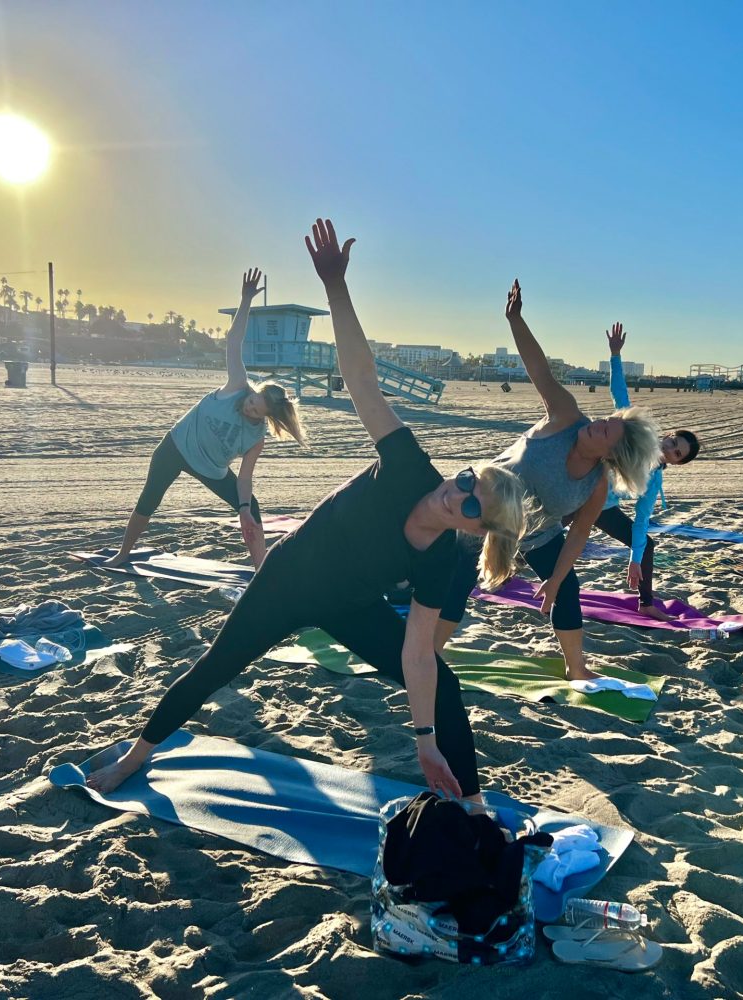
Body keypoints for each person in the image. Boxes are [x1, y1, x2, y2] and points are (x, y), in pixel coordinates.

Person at [86, 218, 527, 803]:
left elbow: (418, 654)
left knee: (445, 688)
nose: (461, 493)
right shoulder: (407, 465)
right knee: (217, 667)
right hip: (288, 580)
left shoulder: (440, 557)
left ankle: (471, 806)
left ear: (477, 527)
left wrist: (424, 741)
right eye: (469, 479)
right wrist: (336, 287)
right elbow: (362, 379)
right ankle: (133, 758)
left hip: (351, 606)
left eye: (475, 504)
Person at [435, 281, 661, 681]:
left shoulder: (595, 484)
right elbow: (538, 369)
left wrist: (555, 580)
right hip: (483, 506)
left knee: (568, 590)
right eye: (605, 420)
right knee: (456, 581)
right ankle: (428, 655)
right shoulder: (565, 415)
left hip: (532, 533)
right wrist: (515, 319)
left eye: (606, 431)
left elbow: (577, 537)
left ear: (612, 455)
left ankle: (577, 668)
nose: (597, 425)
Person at [104, 268, 305, 568]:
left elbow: (245, 478)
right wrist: (245, 299)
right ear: (253, 392)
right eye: (251, 401)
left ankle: (261, 571)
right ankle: (123, 554)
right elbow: (233, 341)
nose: (248, 407)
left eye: (254, 410)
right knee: (149, 500)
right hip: (175, 447)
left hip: (211, 468)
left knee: (253, 508)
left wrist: (244, 508)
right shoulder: (238, 384)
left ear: (265, 417)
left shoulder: (256, 438)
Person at [584, 322, 700, 620]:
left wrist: (634, 559)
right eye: (673, 442)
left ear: (677, 462)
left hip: (602, 508)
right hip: (578, 490)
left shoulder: (653, 480)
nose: (670, 450)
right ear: (667, 435)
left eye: (677, 453)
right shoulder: (635, 436)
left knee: (646, 544)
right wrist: (615, 355)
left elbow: (640, 521)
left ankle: (646, 603)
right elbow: (620, 396)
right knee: (539, 529)